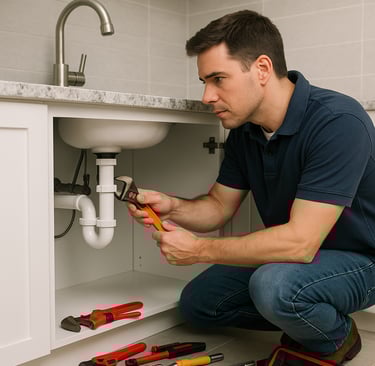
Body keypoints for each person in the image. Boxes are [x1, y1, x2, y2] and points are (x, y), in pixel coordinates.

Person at [128, 9, 375, 365]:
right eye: (203, 82)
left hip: (363, 261)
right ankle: (308, 315)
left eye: (217, 79)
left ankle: (335, 335)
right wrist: (171, 205)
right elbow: (218, 206)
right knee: (198, 304)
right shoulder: (245, 132)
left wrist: (199, 250)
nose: (207, 96)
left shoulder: (338, 121)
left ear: (261, 69)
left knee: (274, 287)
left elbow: (301, 243)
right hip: (295, 260)